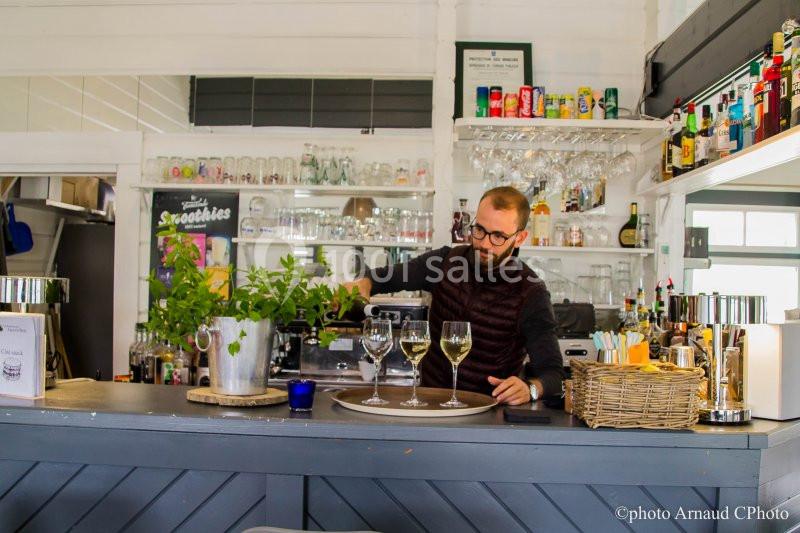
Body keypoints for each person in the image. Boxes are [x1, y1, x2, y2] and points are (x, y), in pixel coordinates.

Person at [345, 186, 564, 405]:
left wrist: (531, 389)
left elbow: (553, 374)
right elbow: (383, 277)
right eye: (479, 229)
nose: (485, 243)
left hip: (488, 414)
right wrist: (363, 284)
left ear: (520, 238)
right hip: (431, 403)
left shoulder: (531, 292)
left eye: (498, 236)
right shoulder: (444, 262)